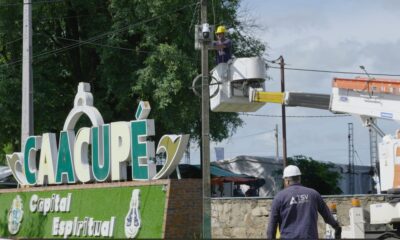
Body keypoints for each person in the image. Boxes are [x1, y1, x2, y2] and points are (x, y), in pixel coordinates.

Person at [266, 165, 342, 239]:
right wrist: (337, 227)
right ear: (299, 178)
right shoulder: (313, 194)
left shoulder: (279, 197)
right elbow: (327, 216)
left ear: (287, 181)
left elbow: (272, 225)